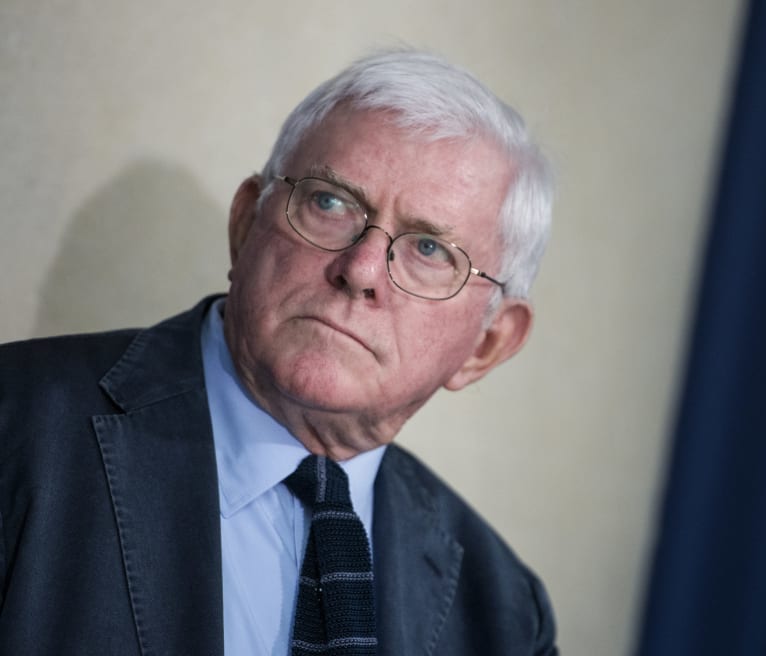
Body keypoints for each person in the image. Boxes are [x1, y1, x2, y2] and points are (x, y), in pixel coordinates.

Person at [0, 50, 557, 655]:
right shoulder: (17, 427)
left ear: (486, 345)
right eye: (330, 203)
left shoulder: (504, 615)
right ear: (245, 224)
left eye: (428, 249)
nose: (362, 269)